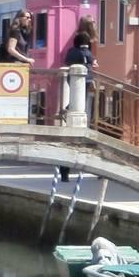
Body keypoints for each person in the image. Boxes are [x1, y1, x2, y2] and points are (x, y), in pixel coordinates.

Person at [57, 28, 97, 182]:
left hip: (70, 78)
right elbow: (90, 63)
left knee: (75, 100)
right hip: (83, 80)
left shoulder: (71, 51)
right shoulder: (85, 52)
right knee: (81, 100)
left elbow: (67, 62)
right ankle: (70, 111)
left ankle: (68, 110)